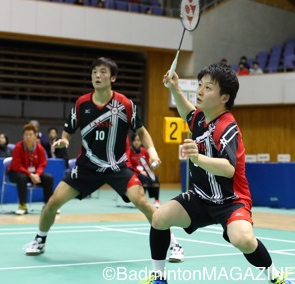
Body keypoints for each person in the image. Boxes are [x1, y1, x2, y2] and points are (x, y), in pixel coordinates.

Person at [140, 64, 295, 284]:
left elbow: (228, 167)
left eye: (208, 88)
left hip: (231, 201)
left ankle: (276, 278)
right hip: (201, 197)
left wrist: (197, 159)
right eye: (200, 86)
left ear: (224, 97)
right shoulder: (202, 118)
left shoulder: (226, 126)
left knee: (243, 239)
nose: (200, 92)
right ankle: (158, 276)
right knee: (159, 218)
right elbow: (188, 113)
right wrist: (174, 88)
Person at [23, 57, 184, 262]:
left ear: (113, 78)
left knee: (142, 201)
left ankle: (174, 244)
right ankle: (40, 239)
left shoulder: (125, 104)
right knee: (53, 202)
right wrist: (63, 141)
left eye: (103, 72)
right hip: (87, 166)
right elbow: (67, 132)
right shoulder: (82, 104)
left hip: (117, 167)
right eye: (94, 72)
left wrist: (151, 150)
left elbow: (141, 132)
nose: (97, 76)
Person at [8, 123, 54, 215]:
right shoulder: (18, 147)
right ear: (23, 136)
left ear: (35, 136)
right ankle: (22, 206)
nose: (28, 137)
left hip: (33, 174)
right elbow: (17, 165)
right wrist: (30, 174)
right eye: (26, 135)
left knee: (49, 178)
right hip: (16, 173)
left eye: (30, 135)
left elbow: (42, 163)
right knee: (22, 178)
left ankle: (48, 206)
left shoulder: (39, 148)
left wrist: (37, 174)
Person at [128, 133, 161, 208]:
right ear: (132, 141)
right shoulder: (129, 151)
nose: (137, 142)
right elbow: (129, 165)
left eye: (139, 140)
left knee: (155, 178)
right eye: (135, 140)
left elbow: (147, 164)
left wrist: (152, 166)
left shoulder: (144, 151)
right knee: (144, 179)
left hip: (145, 172)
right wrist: (139, 171)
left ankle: (157, 200)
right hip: (133, 172)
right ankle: (143, 200)